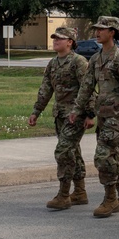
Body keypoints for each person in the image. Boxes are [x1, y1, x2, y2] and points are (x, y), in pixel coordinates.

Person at [71, 16, 119, 218]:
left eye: (102, 29)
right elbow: (86, 87)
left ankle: (110, 199)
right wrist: (77, 109)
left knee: (102, 155)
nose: (97, 32)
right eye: (96, 28)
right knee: (112, 155)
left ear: (112, 32)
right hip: (103, 115)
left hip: (118, 116)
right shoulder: (96, 59)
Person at [30, 27, 93, 210]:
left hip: (76, 115)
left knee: (63, 151)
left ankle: (64, 195)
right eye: (54, 38)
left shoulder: (78, 62)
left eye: (60, 38)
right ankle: (80, 192)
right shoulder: (53, 63)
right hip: (60, 114)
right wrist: (36, 111)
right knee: (73, 151)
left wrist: (89, 114)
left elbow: (87, 88)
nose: (55, 40)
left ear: (70, 42)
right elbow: (45, 89)